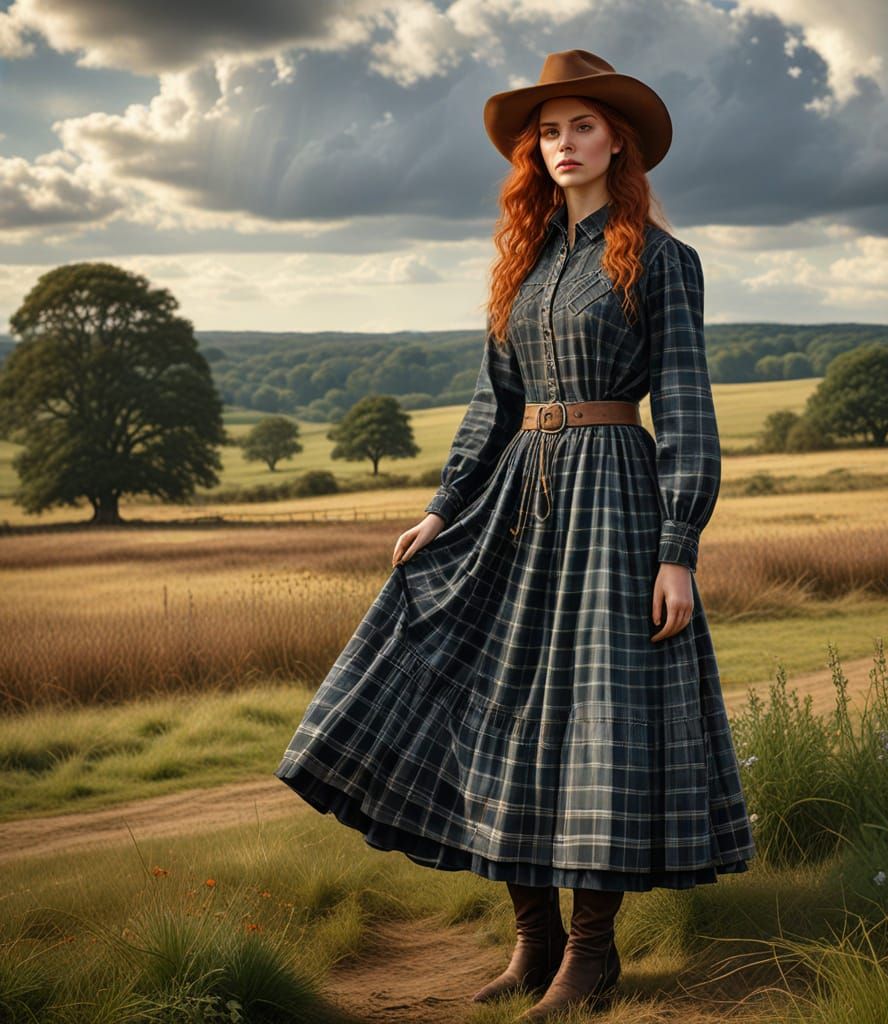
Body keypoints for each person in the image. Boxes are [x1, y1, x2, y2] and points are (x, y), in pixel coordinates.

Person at [275, 48, 756, 1023]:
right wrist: (442, 507)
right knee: (497, 705)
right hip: (515, 502)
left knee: (596, 720)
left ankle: (591, 955)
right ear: (531, 151)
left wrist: (678, 546)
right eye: (547, 131)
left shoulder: (663, 260)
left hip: (613, 501)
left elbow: (689, 408)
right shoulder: (524, 268)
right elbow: (492, 407)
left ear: (616, 137)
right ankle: (532, 938)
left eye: (581, 126)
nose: (563, 144)